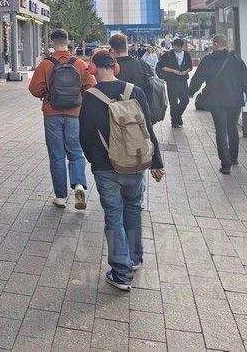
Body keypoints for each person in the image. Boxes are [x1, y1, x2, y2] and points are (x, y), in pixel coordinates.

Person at [79, 50, 164, 291]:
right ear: (115, 67)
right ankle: (134, 258)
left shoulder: (90, 97)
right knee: (133, 209)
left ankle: (121, 273)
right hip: (135, 164)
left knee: (113, 216)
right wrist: (156, 162)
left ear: (93, 68)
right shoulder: (134, 91)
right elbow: (148, 129)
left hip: (106, 166)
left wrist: (95, 160)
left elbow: (84, 136)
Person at [29, 29, 96, 210]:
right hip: (74, 114)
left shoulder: (46, 64)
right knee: (76, 152)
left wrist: (47, 94)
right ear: (68, 42)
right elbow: (91, 86)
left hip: (52, 114)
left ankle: (60, 197)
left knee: (57, 155)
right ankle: (79, 185)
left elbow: (34, 89)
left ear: (52, 43)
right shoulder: (80, 63)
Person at [188, 35, 247, 174]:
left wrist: (191, 92)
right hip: (235, 100)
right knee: (232, 128)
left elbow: (198, 78)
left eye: (213, 43)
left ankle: (225, 165)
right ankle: (233, 158)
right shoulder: (236, 60)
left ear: (216, 44)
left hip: (216, 100)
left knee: (221, 131)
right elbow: (246, 81)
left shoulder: (208, 60)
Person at [157, 38, 192, 128]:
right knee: (173, 102)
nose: (177, 48)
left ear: (182, 46)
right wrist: (174, 71)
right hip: (171, 81)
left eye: (179, 47)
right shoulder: (167, 55)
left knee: (185, 100)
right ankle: (174, 121)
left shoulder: (186, 54)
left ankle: (177, 116)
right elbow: (162, 67)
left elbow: (190, 66)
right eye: (176, 46)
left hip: (183, 80)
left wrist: (185, 71)